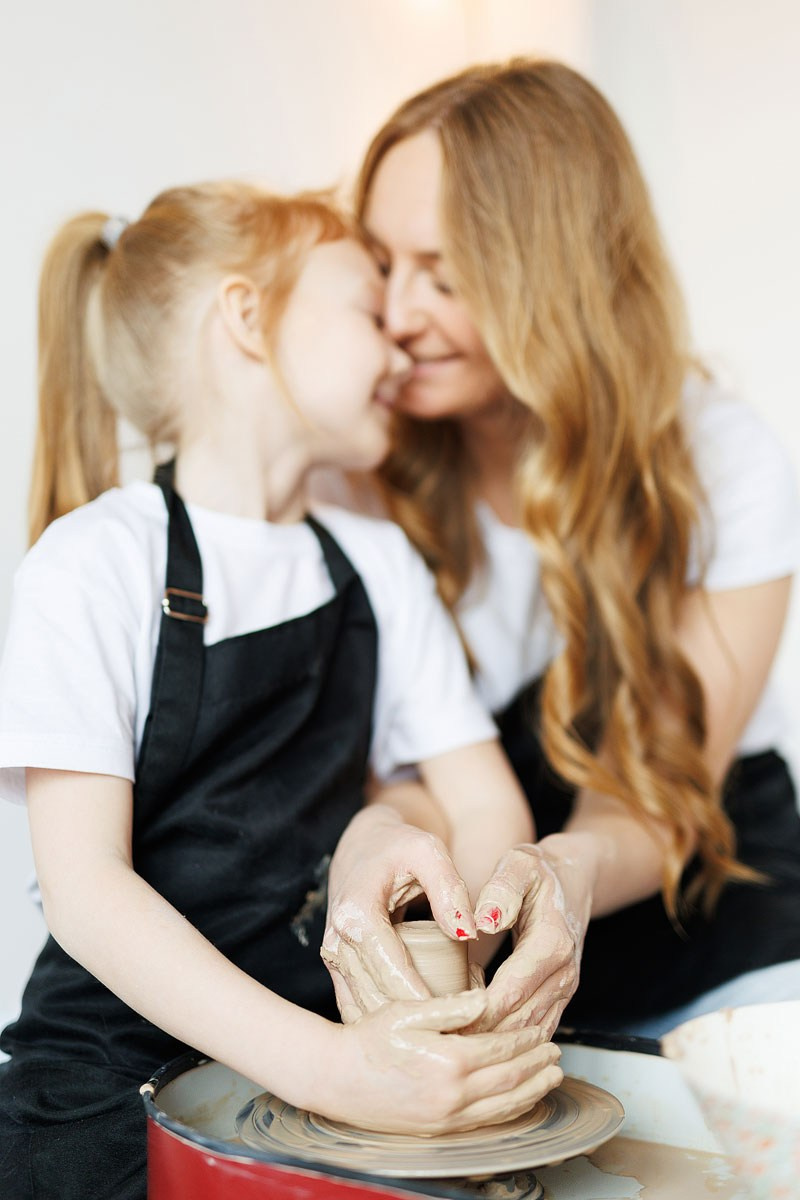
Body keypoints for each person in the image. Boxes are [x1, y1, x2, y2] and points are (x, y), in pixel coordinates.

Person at [0, 181, 564, 1200]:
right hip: (114, 1087)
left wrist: (463, 969)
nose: (399, 345)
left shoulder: (377, 565)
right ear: (246, 318)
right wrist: (334, 1071)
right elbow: (87, 893)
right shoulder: (93, 564)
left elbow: (484, 802)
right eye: (364, 308)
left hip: (333, 1080)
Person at [316, 58, 800, 1040]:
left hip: (709, 942)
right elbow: (392, 767)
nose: (399, 318)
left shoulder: (718, 462)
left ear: (551, 273)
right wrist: (385, 841)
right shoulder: (354, 468)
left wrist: (557, 871)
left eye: (444, 275)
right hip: (470, 969)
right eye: (381, 266)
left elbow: (653, 799)